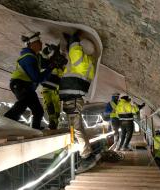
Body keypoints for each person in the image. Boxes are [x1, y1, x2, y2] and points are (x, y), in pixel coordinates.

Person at [60, 30, 99, 173]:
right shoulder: (87, 63)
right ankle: (87, 154)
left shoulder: (80, 60)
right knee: (77, 128)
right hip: (73, 99)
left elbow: (75, 51)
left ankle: (87, 156)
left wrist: (73, 39)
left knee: (76, 129)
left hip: (72, 99)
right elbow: (72, 55)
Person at [4, 32, 55, 130]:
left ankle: (35, 129)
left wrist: (53, 56)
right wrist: (51, 67)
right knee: (23, 102)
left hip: (26, 86)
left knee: (38, 110)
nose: (41, 43)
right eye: (38, 41)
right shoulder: (28, 57)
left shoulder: (36, 56)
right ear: (32, 44)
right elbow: (37, 78)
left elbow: (46, 63)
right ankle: (6, 122)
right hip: (19, 84)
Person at [41, 44, 68, 130]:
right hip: (53, 88)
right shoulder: (61, 66)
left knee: (49, 105)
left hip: (49, 87)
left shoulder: (47, 63)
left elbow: (43, 56)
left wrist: (48, 50)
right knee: (51, 106)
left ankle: (62, 46)